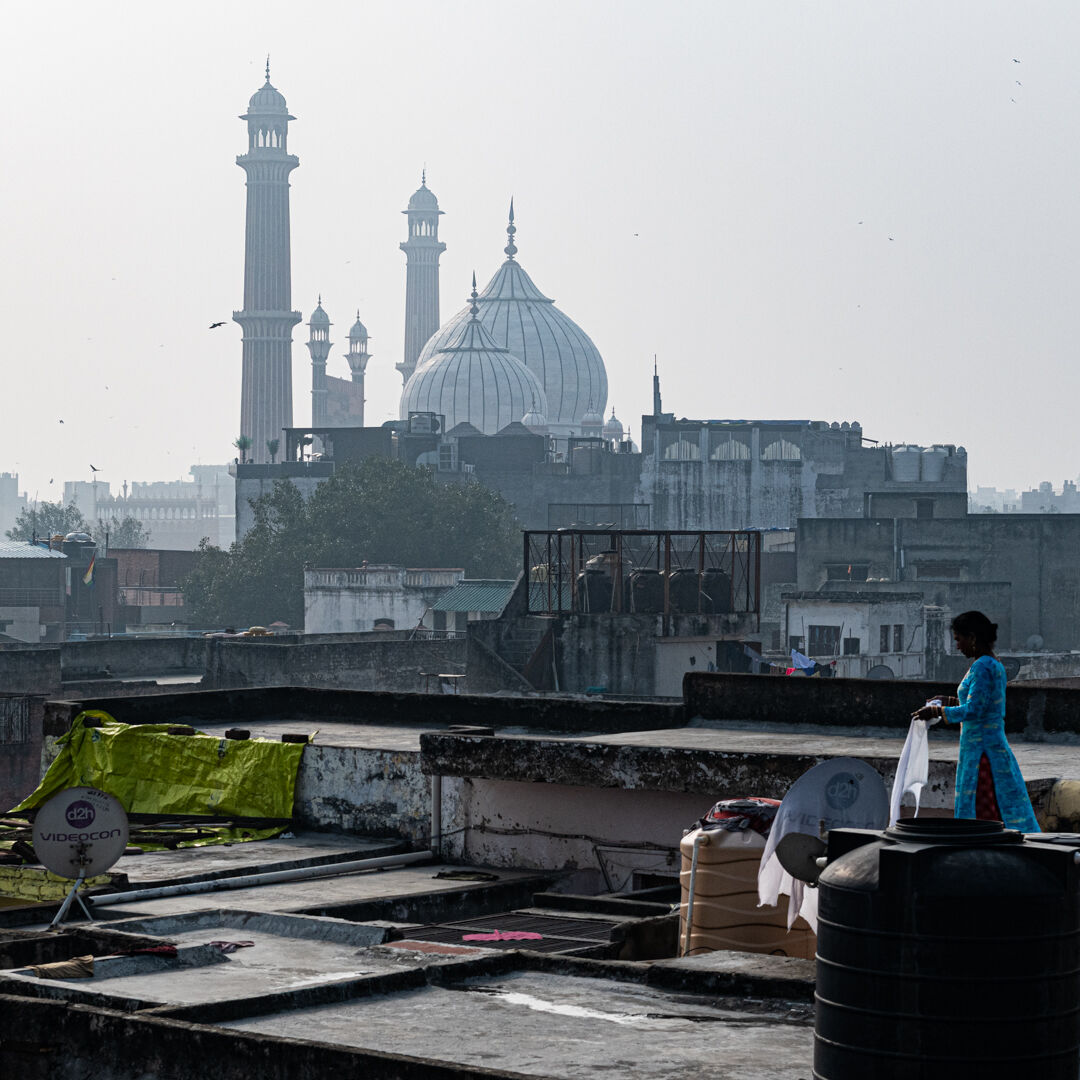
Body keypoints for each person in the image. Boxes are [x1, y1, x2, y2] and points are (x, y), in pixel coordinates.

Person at [911, 610, 1039, 832]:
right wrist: (949, 701)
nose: (958, 646)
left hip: (983, 751)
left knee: (984, 814)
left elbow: (975, 709)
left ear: (972, 637)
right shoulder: (991, 663)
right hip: (986, 747)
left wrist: (936, 712)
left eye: (959, 639)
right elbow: (981, 702)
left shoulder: (982, 666)